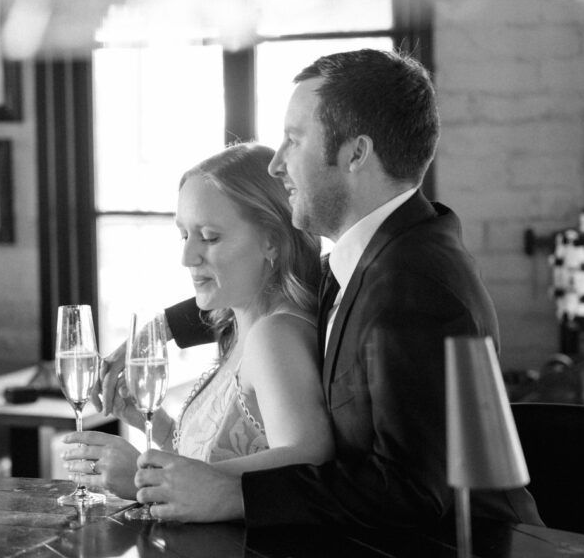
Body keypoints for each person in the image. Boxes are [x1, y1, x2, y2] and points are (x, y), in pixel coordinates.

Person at [96, 48, 542, 530]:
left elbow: (414, 490)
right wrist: (160, 329)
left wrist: (234, 493)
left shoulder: (411, 289)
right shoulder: (375, 256)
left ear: (356, 153)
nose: (276, 165)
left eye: (293, 140)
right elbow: (270, 284)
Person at [63, 142, 333, 497]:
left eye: (209, 237)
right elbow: (213, 460)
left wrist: (143, 475)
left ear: (273, 241)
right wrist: (156, 424)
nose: (187, 256)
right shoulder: (245, 329)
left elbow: (307, 462)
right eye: (184, 235)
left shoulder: (274, 337)